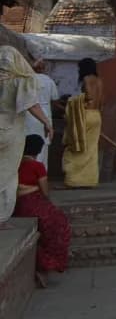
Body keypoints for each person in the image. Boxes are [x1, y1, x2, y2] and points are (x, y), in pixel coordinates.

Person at [2, 44, 53, 221]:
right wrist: (46, 122)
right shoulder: (19, 81)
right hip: (10, 131)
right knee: (8, 173)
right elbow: (31, 104)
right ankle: (2, 216)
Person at [13, 134, 71, 287]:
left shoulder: (15, 164)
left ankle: (41, 265)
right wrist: (34, 188)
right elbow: (45, 192)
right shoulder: (37, 166)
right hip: (34, 204)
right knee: (59, 224)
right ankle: (46, 265)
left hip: (16, 206)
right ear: (38, 151)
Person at [62, 58, 103, 188]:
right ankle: (88, 180)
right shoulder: (100, 81)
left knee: (76, 146)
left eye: (79, 69)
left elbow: (89, 97)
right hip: (97, 115)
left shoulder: (86, 79)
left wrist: (71, 100)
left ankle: (73, 180)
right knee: (91, 150)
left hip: (85, 116)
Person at [25, 61, 59, 166]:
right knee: (43, 146)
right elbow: (55, 99)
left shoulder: (27, 79)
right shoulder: (49, 81)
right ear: (44, 69)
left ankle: (27, 174)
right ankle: (40, 174)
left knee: (27, 144)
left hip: (29, 114)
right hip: (44, 115)